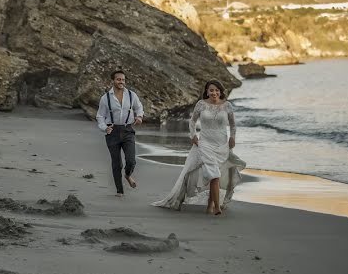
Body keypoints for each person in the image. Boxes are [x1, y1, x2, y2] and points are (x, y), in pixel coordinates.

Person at [151, 80, 245, 214]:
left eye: (217, 90)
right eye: (211, 90)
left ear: (221, 91)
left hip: (222, 145)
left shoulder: (227, 105)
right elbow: (192, 121)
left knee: (216, 174)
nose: (214, 92)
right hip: (205, 143)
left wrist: (232, 138)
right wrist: (193, 135)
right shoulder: (201, 104)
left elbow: (233, 125)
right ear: (206, 91)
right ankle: (217, 208)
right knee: (214, 174)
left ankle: (210, 204)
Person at [95, 69, 144, 197]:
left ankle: (128, 175)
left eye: (123, 79)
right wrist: (104, 128)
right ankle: (119, 190)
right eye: (118, 79)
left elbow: (139, 107)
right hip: (113, 132)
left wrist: (139, 116)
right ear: (113, 81)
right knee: (116, 163)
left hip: (128, 130)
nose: (121, 81)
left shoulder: (132, 95)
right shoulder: (105, 98)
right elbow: (100, 116)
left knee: (131, 160)